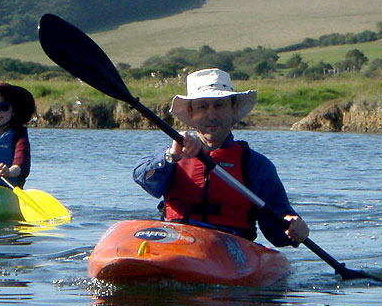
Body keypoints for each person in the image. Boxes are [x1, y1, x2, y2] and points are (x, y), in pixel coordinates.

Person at [133, 68, 310, 247]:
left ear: (234, 110)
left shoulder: (255, 165)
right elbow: (145, 180)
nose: (212, 115)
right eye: (203, 106)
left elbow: (276, 232)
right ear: (191, 113)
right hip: (178, 245)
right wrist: (171, 156)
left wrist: (292, 228)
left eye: (219, 105)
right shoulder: (173, 154)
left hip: (232, 252)